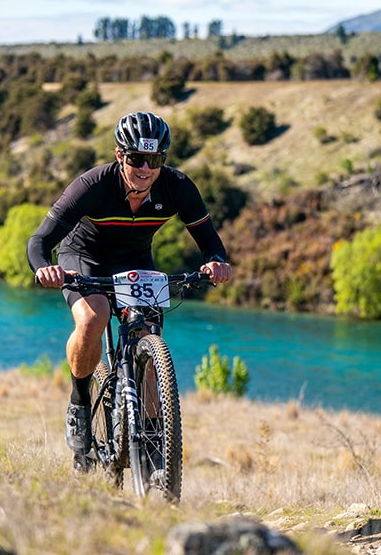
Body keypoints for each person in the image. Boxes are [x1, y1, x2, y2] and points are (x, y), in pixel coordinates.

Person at [27, 111, 233, 470]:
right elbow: (39, 241)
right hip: (84, 257)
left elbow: (209, 241)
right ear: (120, 155)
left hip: (135, 261)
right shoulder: (92, 186)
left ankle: (152, 441)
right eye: (137, 158)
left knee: (148, 335)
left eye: (154, 160)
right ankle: (79, 403)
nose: (145, 168)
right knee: (93, 318)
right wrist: (45, 267)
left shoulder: (178, 187)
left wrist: (216, 262)